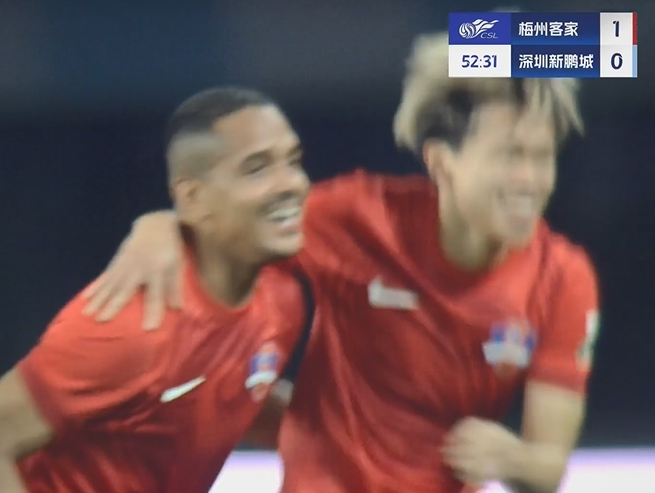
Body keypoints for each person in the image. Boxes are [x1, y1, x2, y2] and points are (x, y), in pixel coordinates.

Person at [81, 32, 601, 493]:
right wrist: (157, 229)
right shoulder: (358, 218)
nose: (531, 180)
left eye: (543, 157)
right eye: (510, 156)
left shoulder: (563, 277)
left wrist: (512, 459)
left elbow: (547, 468)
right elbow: (224, 232)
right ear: (442, 162)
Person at [0, 86, 311, 493]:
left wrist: (344, 435)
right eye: (256, 169)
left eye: (293, 161)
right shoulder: (133, 326)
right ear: (193, 197)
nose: (290, 183)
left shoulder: (280, 296)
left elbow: (223, 390)